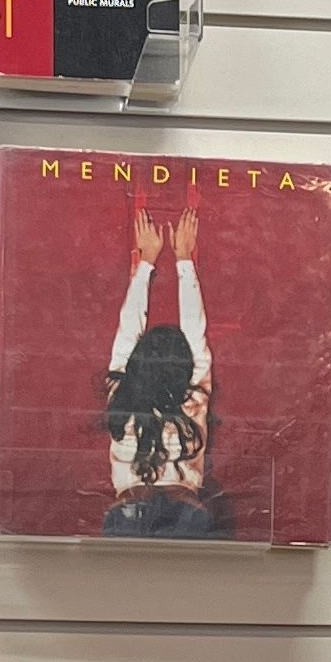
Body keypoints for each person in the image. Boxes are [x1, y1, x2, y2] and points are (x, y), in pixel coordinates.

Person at [100, 203, 222, 530]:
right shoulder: (193, 400)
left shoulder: (121, 399)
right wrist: (184, 260)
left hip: (127, 513)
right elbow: (195, 332)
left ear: (136, 363)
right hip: (186, 514)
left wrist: (146, 262)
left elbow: (128, 333)